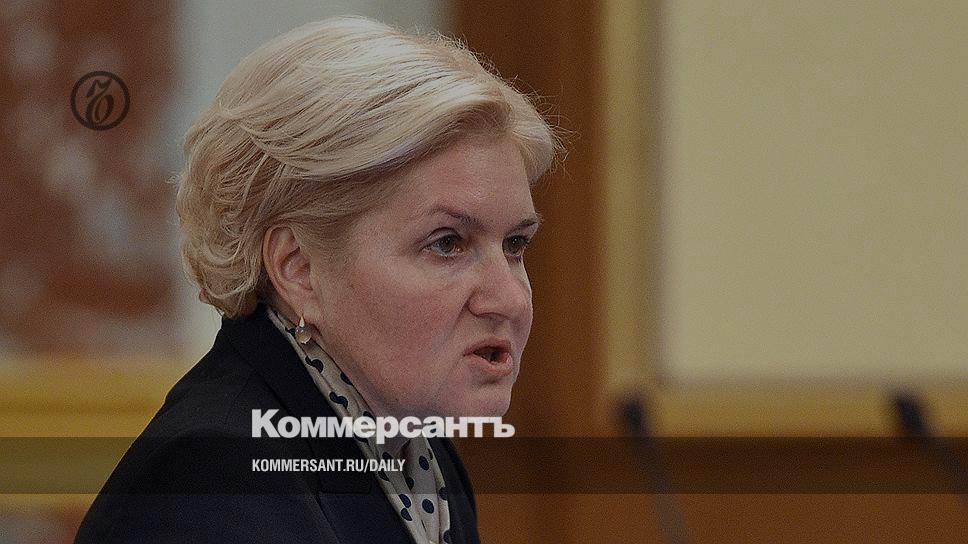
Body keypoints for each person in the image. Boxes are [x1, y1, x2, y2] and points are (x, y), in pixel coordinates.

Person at [75, 15, 557, 544]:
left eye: (515, 244)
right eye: (447, 244)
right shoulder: (215, 481)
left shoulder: (421, 451)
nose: (509, 299)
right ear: (298, 269)